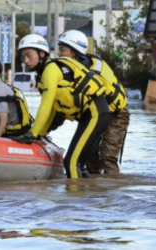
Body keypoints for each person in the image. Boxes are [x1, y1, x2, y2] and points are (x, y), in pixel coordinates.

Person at [15, 33, 111, 179]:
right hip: (91, 116)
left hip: (96, 114)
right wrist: (41, 133)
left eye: (29, 55)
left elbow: (45, 105)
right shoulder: (43, 75)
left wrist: (32, 134)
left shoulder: (50, 70)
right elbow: (54, 109)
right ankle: (89, 194)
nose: (26, 61)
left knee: (71, 162)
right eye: (23, 57)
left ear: (41, 54)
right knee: (79, 163)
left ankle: (74, 199)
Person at [58, 30, 130, 174]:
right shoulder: (75, 69)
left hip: (117, 114)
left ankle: (113, 191)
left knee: (107, 157)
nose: (59, 54)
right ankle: (95, 191)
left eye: (62, 50)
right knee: (90, 156)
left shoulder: (90, 72)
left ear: (74, 52)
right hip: (97, 114)